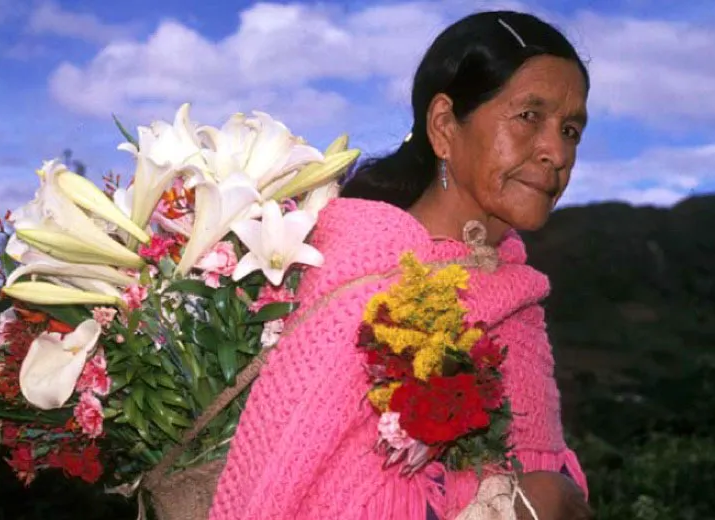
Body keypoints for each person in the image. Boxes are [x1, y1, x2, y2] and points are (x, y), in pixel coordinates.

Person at [210, 10, 592, 520]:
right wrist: (542, 500)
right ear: (443, 126)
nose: (556, 152)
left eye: (570, 129)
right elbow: (304, 492)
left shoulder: (517, 295)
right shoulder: (364, 273)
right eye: (528, 117)